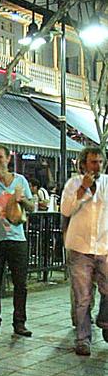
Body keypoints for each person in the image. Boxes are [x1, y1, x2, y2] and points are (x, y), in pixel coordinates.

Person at [0, 145, 34, 337]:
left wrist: (22, 200)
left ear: (8, 159)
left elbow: (32, 206)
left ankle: (20, 322)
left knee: (21, 283)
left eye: (0, 157)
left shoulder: (20, 181)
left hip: (17, 238)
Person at [61, 147, 108, 356]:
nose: (96, 166)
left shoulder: (107, 183)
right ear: (83, 164)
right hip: (80, 248)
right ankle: (83, 339)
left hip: (105, 247)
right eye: (92, 162)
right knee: (83, 297)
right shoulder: (73, 184)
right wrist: (83, 190)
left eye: (99, 162)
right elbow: (66, 210)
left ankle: (104, 319)